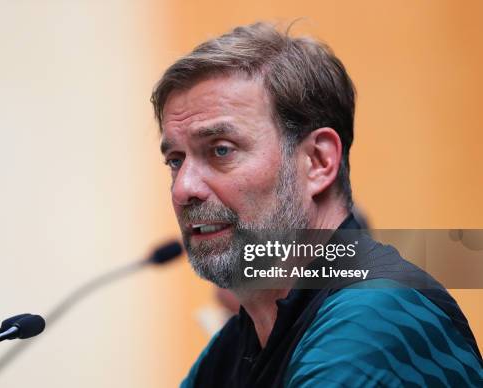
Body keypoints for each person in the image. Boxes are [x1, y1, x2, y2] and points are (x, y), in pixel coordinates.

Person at [151, 22, 482, 387]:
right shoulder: (238, 345)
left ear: (318, 162)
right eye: (176, 160)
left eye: (221, 150)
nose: (184, 188)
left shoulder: (373, 317)